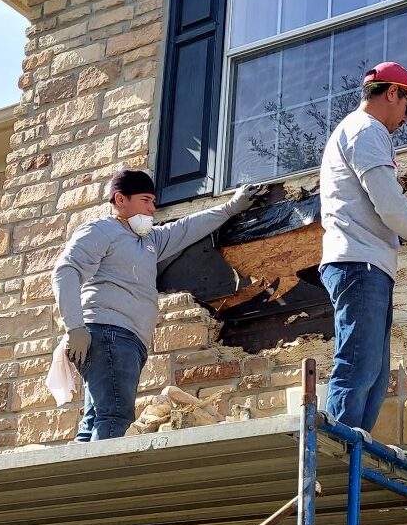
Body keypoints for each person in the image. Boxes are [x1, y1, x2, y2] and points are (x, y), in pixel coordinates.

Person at [53, 167, 261, 441]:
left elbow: (186, 228)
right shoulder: (101, 230)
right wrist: (74, 327)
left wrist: (231, 207)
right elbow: (65, 270)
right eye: (146, 200)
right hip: (109, 334)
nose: (153, 209)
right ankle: (107, 471)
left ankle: (83, 467)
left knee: (96, 419)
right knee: (115, 417)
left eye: (153, 201)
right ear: (120, 200)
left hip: (125, 340)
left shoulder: (149, 240)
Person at [319, 61, 407, 434]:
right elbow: (390, 205)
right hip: (357, 263)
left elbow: (384, 206)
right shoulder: (367, 130)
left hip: (366, 265)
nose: (405, 121)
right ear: (393, 92)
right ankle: (339, 455)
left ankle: (355, 447)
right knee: (359, 365)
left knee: (375, 373)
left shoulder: (360, 132)